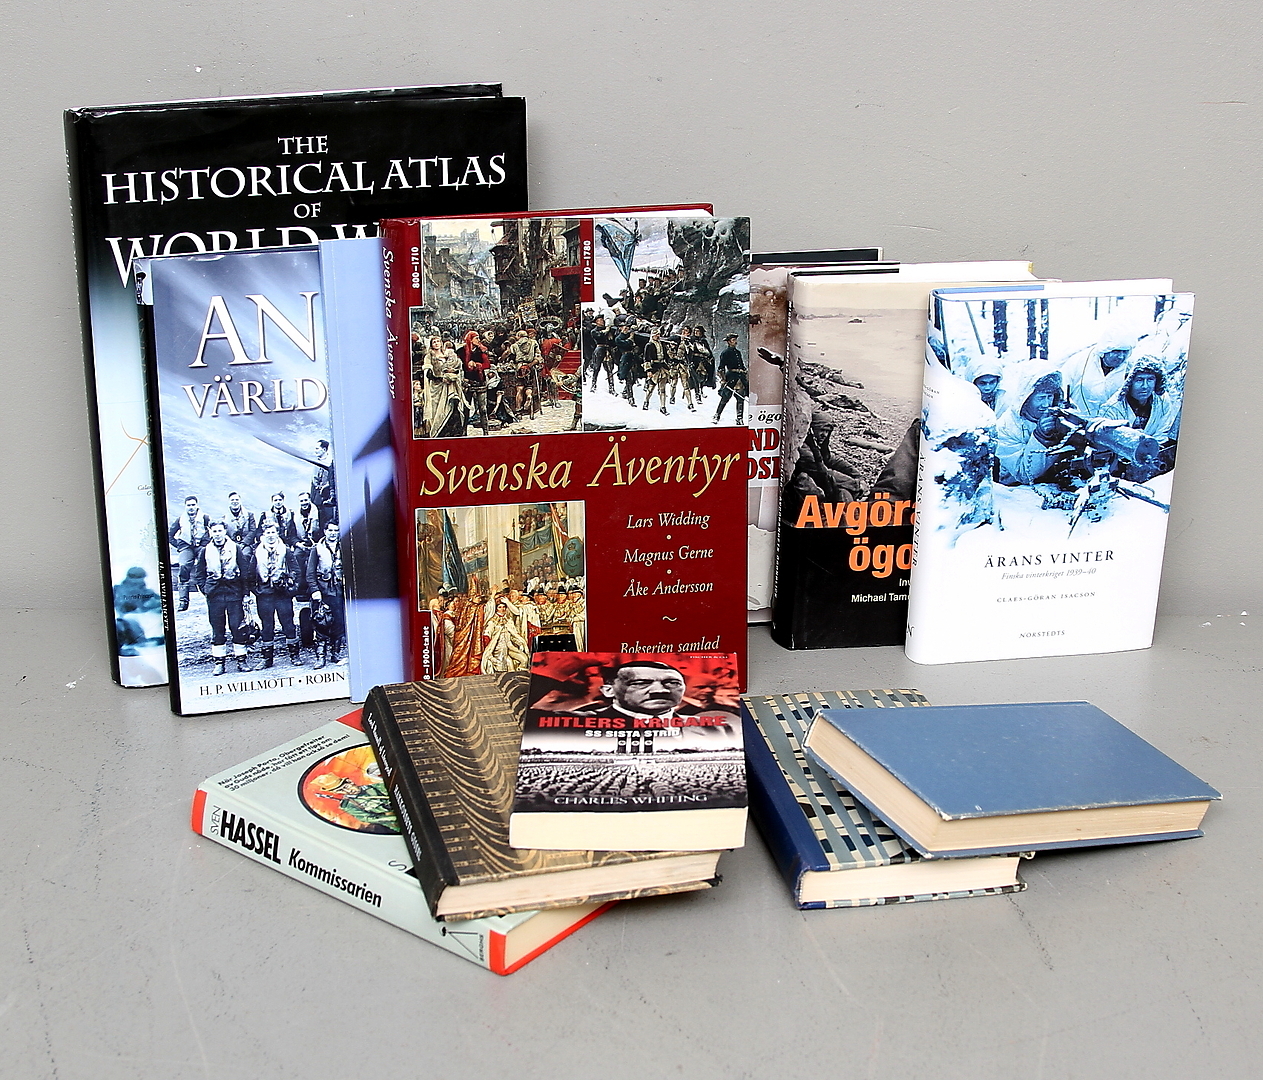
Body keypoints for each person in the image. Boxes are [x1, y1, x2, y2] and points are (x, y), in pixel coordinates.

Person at [194, 521, 251, 675]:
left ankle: (241, 660)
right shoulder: (205, 550)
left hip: (234, 593)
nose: (218, 534)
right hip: (215, 595)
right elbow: (199, 573)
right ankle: (219, 662)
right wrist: (205, 590)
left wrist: (245, 593)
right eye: (215, 531)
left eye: (220, 530)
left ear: (225, 531)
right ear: (210, 532)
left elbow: (244, 571)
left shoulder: (235, 548)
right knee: (217, 629)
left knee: (237, 627)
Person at [995, 369, 1069, 485]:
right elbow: (1024, 475)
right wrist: (1041, 437)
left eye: (1050, 397)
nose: (1046, 404)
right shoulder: (1006, 426)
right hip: (1016, 488)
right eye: (1040, 398)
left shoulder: (1060, 412)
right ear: (1027, 398)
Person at [251, 520, 302, 668]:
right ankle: (267, 659)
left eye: (273, 532)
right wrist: (257, 591)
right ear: (263, 534)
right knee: (267, 626)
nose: (271, 535)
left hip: (282, 594)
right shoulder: (257, 551)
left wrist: (291, 589)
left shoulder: (285, 550)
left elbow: (296, 571)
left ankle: (294, 655)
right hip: (264, 595)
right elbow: (250, 574)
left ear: (277, 533)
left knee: (288, 625)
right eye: (267, 533)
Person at [307, 519, 345, 668]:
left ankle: (335, 654)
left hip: (339, 591)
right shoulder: (317, 549)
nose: (333, 533)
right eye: (330, 530)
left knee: (339, 622)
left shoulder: (344, 547)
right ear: (325, 531)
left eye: (336, 530)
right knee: (321, 623)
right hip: (323, 592)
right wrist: (315, 590)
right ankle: (320, 657)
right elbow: (310, 573)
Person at [169, 495, 212, 611]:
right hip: (186, 547)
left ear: (197, 505)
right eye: (188, 505)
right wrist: (179, 545)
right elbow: (169, 535)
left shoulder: (205, 517)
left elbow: (215, 529)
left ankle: (209, 595)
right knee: (183, 566)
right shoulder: (180, 519)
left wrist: (208, 544)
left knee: (206, 566)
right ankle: (183, 601)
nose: (191, 507)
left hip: (201, 546)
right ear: (185, 506)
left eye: (193, 505)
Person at [479, 597, 530, 673]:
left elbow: (513, 635)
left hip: (510, 647)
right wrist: (490, 653)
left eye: (504, 607)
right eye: (500, 607)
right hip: (498, 650)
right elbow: (487, 636)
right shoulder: (492, 621)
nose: (502, 609)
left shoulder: (508, 620)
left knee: (524, 659)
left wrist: (520, 643)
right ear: (496, 609)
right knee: (509, 664)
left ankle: (521, 676)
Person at [714, 334, 748, 423]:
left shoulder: (738, 352)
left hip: (740, 377)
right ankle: (717, 415)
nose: (735, 342)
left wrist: (744, 371)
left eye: (735, 340)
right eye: (733, 340)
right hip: (731, 377)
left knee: (740, 397)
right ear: (729, 342)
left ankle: (739, 418)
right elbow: (721, 368)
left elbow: (742, 365)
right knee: (725, 397)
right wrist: (723, 379)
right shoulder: (725, 353)